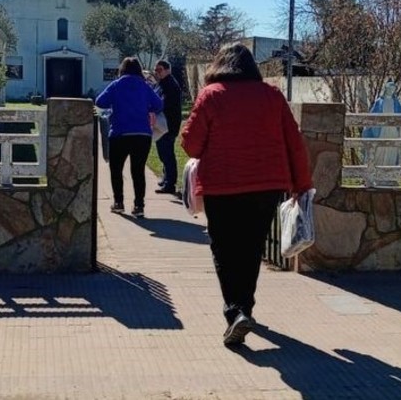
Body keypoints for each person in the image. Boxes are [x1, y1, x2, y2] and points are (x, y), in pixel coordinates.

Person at [181, 43, 313, 347]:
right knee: (251, 250)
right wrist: (302, 184)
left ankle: (235, 312)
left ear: (219, 65)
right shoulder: (272, 96)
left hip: (221, 187)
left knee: (225, 251)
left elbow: (191, 146)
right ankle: (245, 309)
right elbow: (295, 142)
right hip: (266, 186)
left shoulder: (211, 95)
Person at [95, 57, 164, 218]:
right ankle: (139, 205)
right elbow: (159, 105)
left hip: (120, 133)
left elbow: (100, 101)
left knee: (116, 169)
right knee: (138, 171)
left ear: (122, 69)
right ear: (139, 70)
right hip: (142, 134)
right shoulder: (145, 86)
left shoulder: (117, 84)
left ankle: (118, 202)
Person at [152, 59, 183, 194]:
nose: (157, 73)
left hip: (168, 125)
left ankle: (170, 183)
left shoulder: (170, 85)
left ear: (167, 70)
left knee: (167, 154)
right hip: (163, 124)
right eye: (156, 70)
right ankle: (166, 178)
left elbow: (164, 104)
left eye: (159, 70)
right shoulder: (162, 83)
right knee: (163, 152)